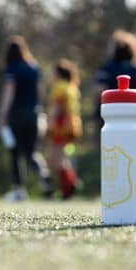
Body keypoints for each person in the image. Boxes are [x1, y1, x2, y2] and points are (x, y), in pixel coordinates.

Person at [0, 35, 52, 202]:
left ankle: (19, 190)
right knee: (31, 152)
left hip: (17, 115)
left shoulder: (12, 69)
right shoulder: (34, 67)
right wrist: (40, 111)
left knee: (15, 153)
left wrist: (2, 115)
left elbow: (9, 92)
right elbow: (39, 92)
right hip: (33, 114)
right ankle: (44, 174)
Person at [47, 59, 82, 199]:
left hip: (61, 125)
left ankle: (70, 186)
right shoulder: (72, 87)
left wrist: (49, 123)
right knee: (61, 157)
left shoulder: (60, 86)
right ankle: (69, 185)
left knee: (55, 159)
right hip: (71, 125)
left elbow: (58, 107)